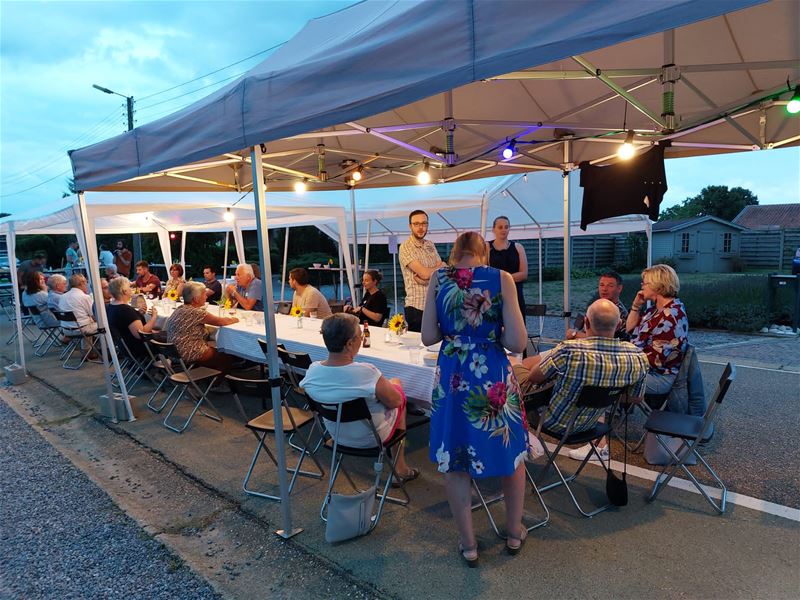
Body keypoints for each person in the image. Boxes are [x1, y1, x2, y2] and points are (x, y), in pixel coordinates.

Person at [421, 231, 528, 564]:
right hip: (491, 373)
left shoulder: (438, 278)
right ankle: (513, 532)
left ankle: (469, 545)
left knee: (456, 460)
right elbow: (517, 342)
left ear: (454, 254)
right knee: (510, 454)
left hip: (453, 376)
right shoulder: (502, 278)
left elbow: (427, 336)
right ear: (484, 253)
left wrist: (456, 333)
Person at [514, 298, 648, 462]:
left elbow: (534, 378)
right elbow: (635, 397)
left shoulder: (569, 350)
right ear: (619, 324)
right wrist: (605, 394)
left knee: (511, 363)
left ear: (586, 322)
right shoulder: (637, 357)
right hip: (593, 424)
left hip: (553, 421)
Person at [300, 313, 418, 481]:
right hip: (372, 438)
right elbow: (396, 401)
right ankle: (400, 469)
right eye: (360, 336)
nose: (362, 339)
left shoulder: (313, 371)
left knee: (384, 392)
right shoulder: (366, 372)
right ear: (349, 344)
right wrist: (396, 386)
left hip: (337, 436)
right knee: (398, 394)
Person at [626, 263, 689, 396]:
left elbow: (655, 361)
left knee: (607, 376)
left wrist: (621, 360)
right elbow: (630, 329)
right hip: (645, 369)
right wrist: (636, 306)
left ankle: (606, 415)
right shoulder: (655, 310)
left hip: (659, 377)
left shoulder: (670, 317)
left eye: (645, 283)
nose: (641, 286)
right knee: (607, 372)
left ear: (658, 286)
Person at [166, 281, 239, 374]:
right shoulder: (196, 313)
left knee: (213, 345)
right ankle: (216, 384)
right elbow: (221, 322)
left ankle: (205, 376)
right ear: (196, 299)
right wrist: (235, 319)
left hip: (173, 353)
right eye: (204, 294)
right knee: (226, 354)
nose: (206, 296)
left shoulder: (180, 309)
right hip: (187, 353)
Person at [399, 210, 446, 332]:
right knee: (418, 347)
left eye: (424, 223)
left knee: (433, 346)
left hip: (434, 305)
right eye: (416, 224)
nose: (421, 227)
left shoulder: (430, 244)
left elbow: (443, 271)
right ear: (410, 226)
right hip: (416, 307)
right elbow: (425, 273)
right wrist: (433, 270)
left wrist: (426, 279)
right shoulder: (406, 247)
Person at [567, 269, 629, 340]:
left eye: (610, 286)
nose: (604, 289)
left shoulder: (621, 313)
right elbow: (579, 326)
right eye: (601, 285)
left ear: (619, 288)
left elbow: (610, 340)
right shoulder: (595, 306)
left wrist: (575, 334)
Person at [106, 277, 159, 359]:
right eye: (129, 287)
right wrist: (154, 317)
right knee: (169, 335)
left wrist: (138, 314)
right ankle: (173, 365)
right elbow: (141, 333)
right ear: (124, 291)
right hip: (138, 348)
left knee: (159, 332)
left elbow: (125, 323)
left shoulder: (111, 306)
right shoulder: (126, 310)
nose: (131, 289)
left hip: (124, 347)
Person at [487, 216, 528, 317]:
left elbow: (524, 274)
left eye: (506, 227)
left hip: (515, 293)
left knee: (517, 326)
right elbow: (485, 271)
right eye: (500, 227)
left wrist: (502, 278)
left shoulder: (518, 247)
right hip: (495, 293)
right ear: (493, 229)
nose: (503, 230)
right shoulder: (486, 247)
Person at [59, 274, 99, 360]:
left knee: (85, 322)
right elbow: (94, 316)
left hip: (66, 330)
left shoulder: (62, 297)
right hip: (81, 329)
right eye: (86, 282)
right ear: (82, 283)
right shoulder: (84, 297)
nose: (87, 285)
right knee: (106, 325)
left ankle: (88, 352)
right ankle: (108, 351)